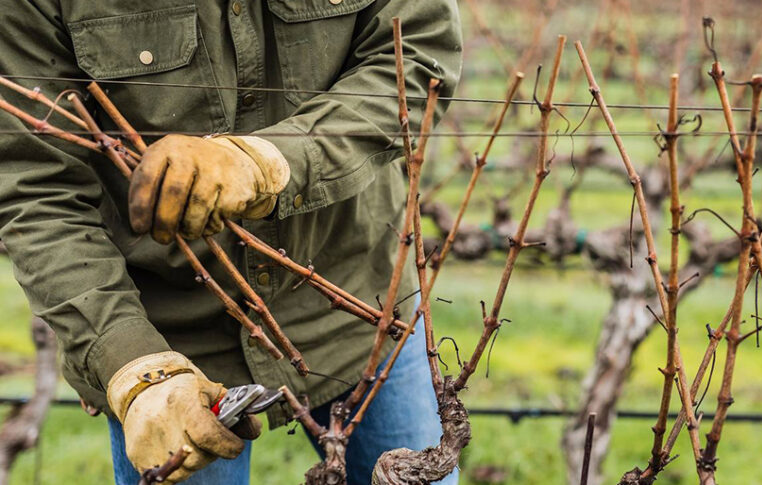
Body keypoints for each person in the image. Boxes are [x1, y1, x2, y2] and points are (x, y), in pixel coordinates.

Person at [0, 1, 462, 483]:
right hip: (171, 346)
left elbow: (416, 54)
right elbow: (35, 186)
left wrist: (272, 160)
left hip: (360, 303)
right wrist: (128, 361)